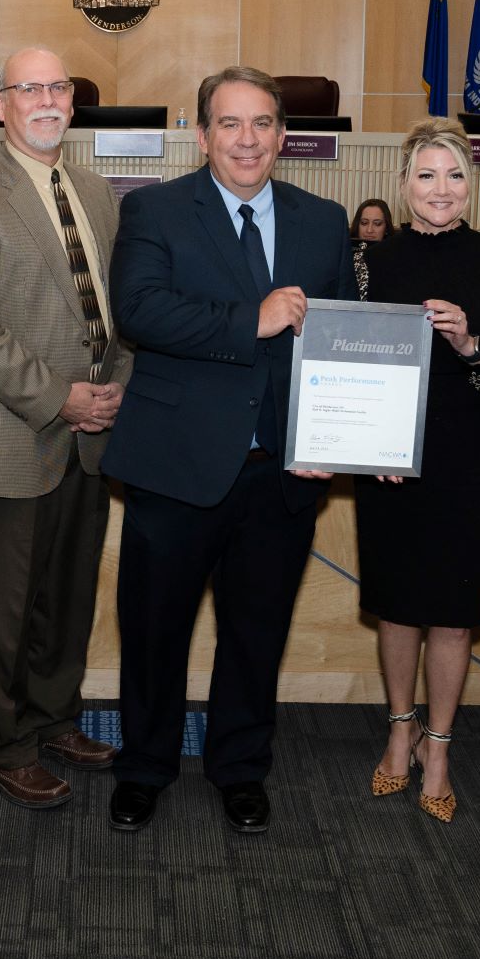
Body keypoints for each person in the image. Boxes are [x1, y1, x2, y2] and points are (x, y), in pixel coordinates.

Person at [102, 67, 350, 834]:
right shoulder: (153, 208)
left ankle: (240, 767)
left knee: (256, 632)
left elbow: (338, 342)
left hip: (280, 471)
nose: (247, 140)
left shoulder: (325, 219)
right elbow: (139, 312)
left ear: (283, 134)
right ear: (202, 133)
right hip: (175, 467)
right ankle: (143, 767)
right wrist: (255, 319)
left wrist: (328, 441)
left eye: (263, 123)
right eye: (230, 124)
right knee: (153, 632)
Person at [0, 46, 128, 810]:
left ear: (72, 100)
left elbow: (113, 312)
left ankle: (50, 718)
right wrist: (62, 398)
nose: (46, 98)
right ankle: (1, 741)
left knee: (67, 596)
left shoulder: (97, 192)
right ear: (0, 105)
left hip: (90, 433)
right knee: (5, 606)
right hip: (12, 433)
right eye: (29, 88)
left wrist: (110, 394)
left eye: (58, 86)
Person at [355, 116, 480, 824]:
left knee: (455, 614)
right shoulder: (367, 262)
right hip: (387, 462)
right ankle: (399, 732)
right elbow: (346, 361)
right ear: (404, 187)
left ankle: (439, 747)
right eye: (427, 175)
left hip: (466, 458)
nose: (441, 188)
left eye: (455, 175)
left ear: (471, 186)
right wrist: (371, 443)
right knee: (399, 605)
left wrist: (470, 344)